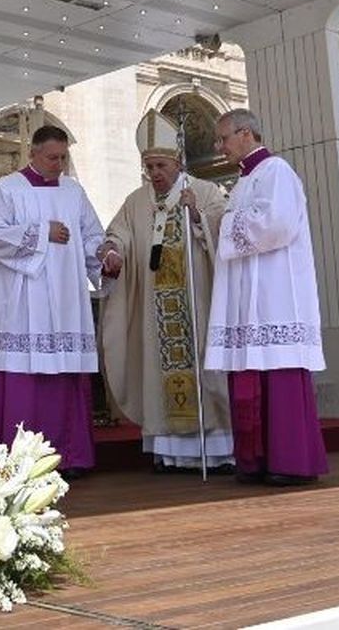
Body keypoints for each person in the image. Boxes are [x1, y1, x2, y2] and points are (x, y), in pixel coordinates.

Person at [97, 112, 233, 473]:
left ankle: (216, 450)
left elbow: (223, 233)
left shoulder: (203, 192)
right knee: (158, 371)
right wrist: (112, 251)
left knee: (204, 369)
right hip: (155, 312)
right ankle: (170, 452)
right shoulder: (136, 200)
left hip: (195, 303)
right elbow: (120, 234)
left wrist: (197, 216)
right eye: (149, 166)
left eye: (160, 165)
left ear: (177, 162)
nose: (154, 173)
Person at [202, 109, 328, 486]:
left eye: (223, 138)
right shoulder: (243, 182)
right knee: (250, 376)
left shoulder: (276, 172)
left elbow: (277, 224)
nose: (218, 146)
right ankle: (256, 459)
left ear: (245, 134)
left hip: (275, 297)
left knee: (279, 377)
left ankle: (289, 461)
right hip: (248, 299)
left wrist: (222, 222)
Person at [0, 124, 105, 478]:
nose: (59, 164)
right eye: (53, 157)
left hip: (67, 298)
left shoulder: (73, 192)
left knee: (65, 375)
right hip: (24, 301)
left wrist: (105, 255)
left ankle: (70, 456)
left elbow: (91, 235)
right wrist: (40, 233)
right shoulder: (7, 189)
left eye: (64, 157)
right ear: (33, 154)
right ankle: (19, 461)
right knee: (25, 379)